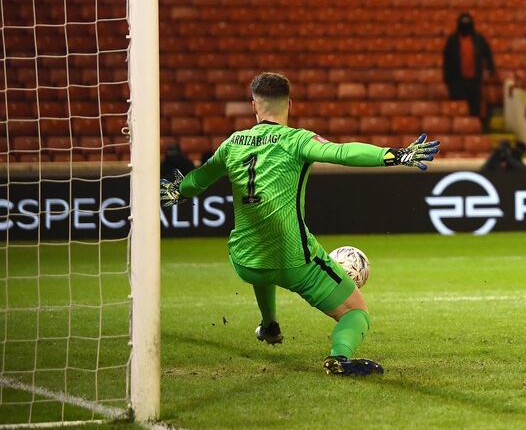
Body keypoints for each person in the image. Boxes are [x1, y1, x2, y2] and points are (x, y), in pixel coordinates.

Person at [159, 72, 440, 376]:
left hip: (244, 259)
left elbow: (196, 181)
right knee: (356, 312)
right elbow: (342, 152)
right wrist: (395, 155)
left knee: (261, 253)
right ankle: (340, 357)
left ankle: (269, 326)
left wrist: (177, 190)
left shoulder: (232, 144)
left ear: (254, 105)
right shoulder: (296, 140)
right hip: (294, 260)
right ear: (290, 104)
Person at [443, 12, 495, 118]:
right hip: (457, 82)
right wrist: (448, 79)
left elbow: (488, 54)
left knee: (474, 109)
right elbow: (447, 61)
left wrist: (491, 68)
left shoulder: (479, 39)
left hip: (474, 82)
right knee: (458, 110)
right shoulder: (452, 41)